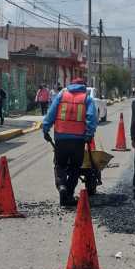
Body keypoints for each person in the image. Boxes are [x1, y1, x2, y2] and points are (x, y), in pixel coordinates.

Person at [42, 77, 97, 206]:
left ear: (70, 85)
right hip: (78, 140)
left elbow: (51, 113)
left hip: (61, 138)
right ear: (83, 86)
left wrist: (45, 129)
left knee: (60, 165)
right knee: (75, 168)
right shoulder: (86, 99)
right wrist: (89, 134)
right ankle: (69, 194)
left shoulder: (61, 96)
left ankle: (62, 186)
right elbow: (91, 118)